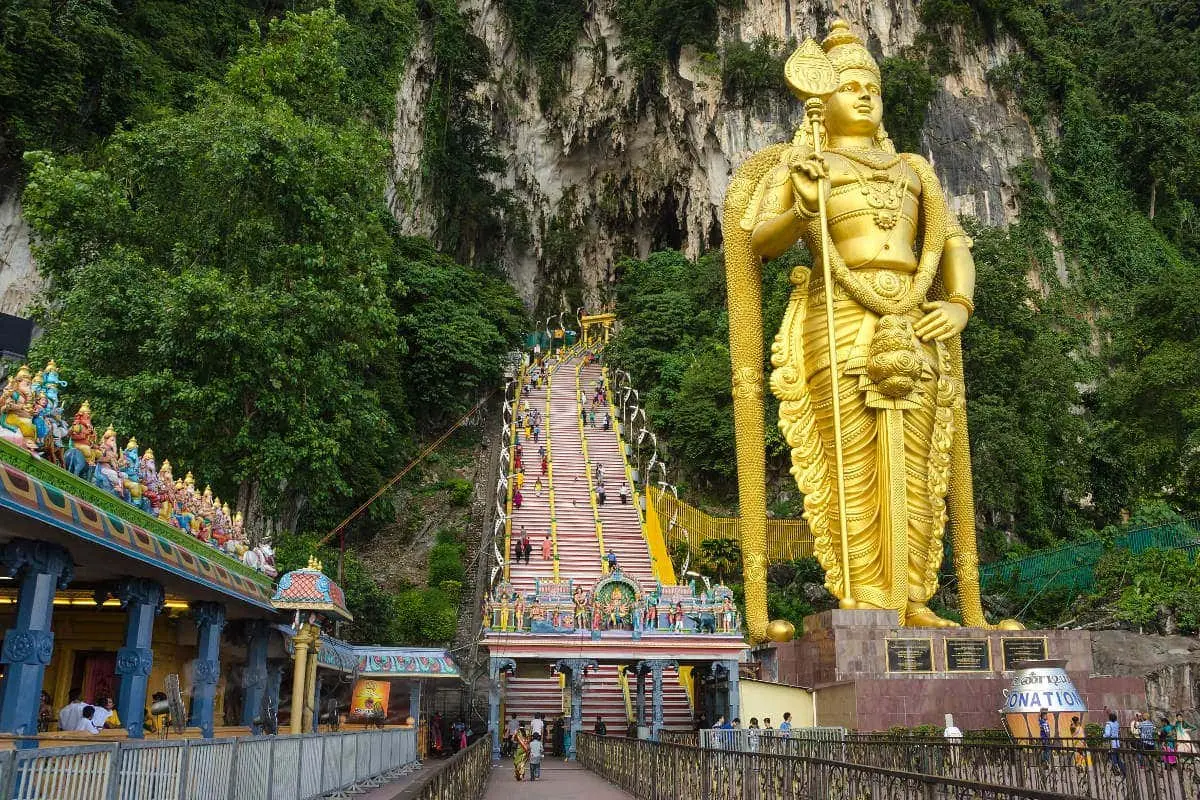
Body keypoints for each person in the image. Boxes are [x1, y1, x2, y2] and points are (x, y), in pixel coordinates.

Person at [1103, 711, 1126, 777]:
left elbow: (1107, 734)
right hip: (1117, 743)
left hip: (1111, 743)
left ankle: (1116, 770)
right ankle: (1124, 770)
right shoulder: (1116, 724)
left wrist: (1103, 736)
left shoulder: (1108, 724)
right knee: (1118, 758)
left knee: (1113, 758)